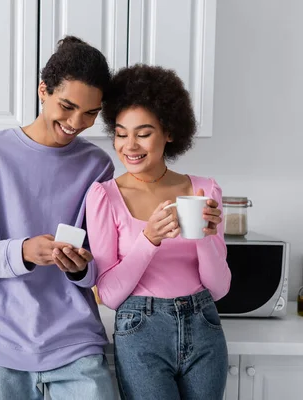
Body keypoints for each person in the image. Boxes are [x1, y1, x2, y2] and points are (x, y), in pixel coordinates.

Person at [0, 36, 116, 399]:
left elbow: (100, 265)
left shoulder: (98, 166)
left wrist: (77, 267)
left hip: (75, 345)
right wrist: (23, 251)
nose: (77, 122)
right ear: (43, 90)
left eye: (91, 113)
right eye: (67, 106)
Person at [85, 64, 231, 400]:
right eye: (121, 133)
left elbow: (220, 288)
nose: (129, 145)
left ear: (169, 132)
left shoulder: (204, 190)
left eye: (143, 132)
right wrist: (148, 240)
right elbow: (108, 294)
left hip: (204, 323)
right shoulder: (104, 196)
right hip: (140, 329)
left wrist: (206, 238)